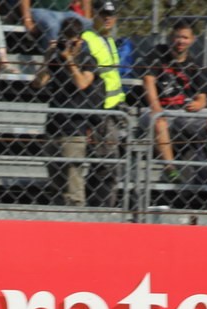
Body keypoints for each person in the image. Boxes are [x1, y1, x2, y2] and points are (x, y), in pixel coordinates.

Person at [29, 16, 97, 205]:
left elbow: (82, 83)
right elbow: (38, 83)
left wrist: (70, 61)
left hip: (75, 128)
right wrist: (47, 58)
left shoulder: (88, 58)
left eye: (72, 40)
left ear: (80, 40)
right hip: (54, 126)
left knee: (73, 187)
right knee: (55, 185)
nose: (68, 44)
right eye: (64, 38)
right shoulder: (54, 57)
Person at [139, 18, 207, 181]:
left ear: (192, 40)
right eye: (177, 37)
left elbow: (202, 96)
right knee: (159, 121)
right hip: (157, 109)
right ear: (171, 38)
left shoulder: (194, 64)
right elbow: (148, 81)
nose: (181, 41)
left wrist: (199, 103)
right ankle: (170, 169)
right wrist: (156, 107)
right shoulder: (157, 54)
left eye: (185, 37)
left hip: (184, 112)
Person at [81, 1, 123, 207]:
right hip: (99, 111)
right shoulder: (88, 39)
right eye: (103, 14)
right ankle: (102, 208)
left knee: (108, 165)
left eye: (111, 15)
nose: (108, 18)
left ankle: (104, 206)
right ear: (94, 15)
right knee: (105, 165)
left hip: (112, 110)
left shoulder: (107, 39)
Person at [18, 0, 90, 47]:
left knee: (87, 23)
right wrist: (27, 19)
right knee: (52, 25)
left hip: (64, 12)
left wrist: (86, 16)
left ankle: (75, 56)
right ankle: (51, 59)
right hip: (40, 10)